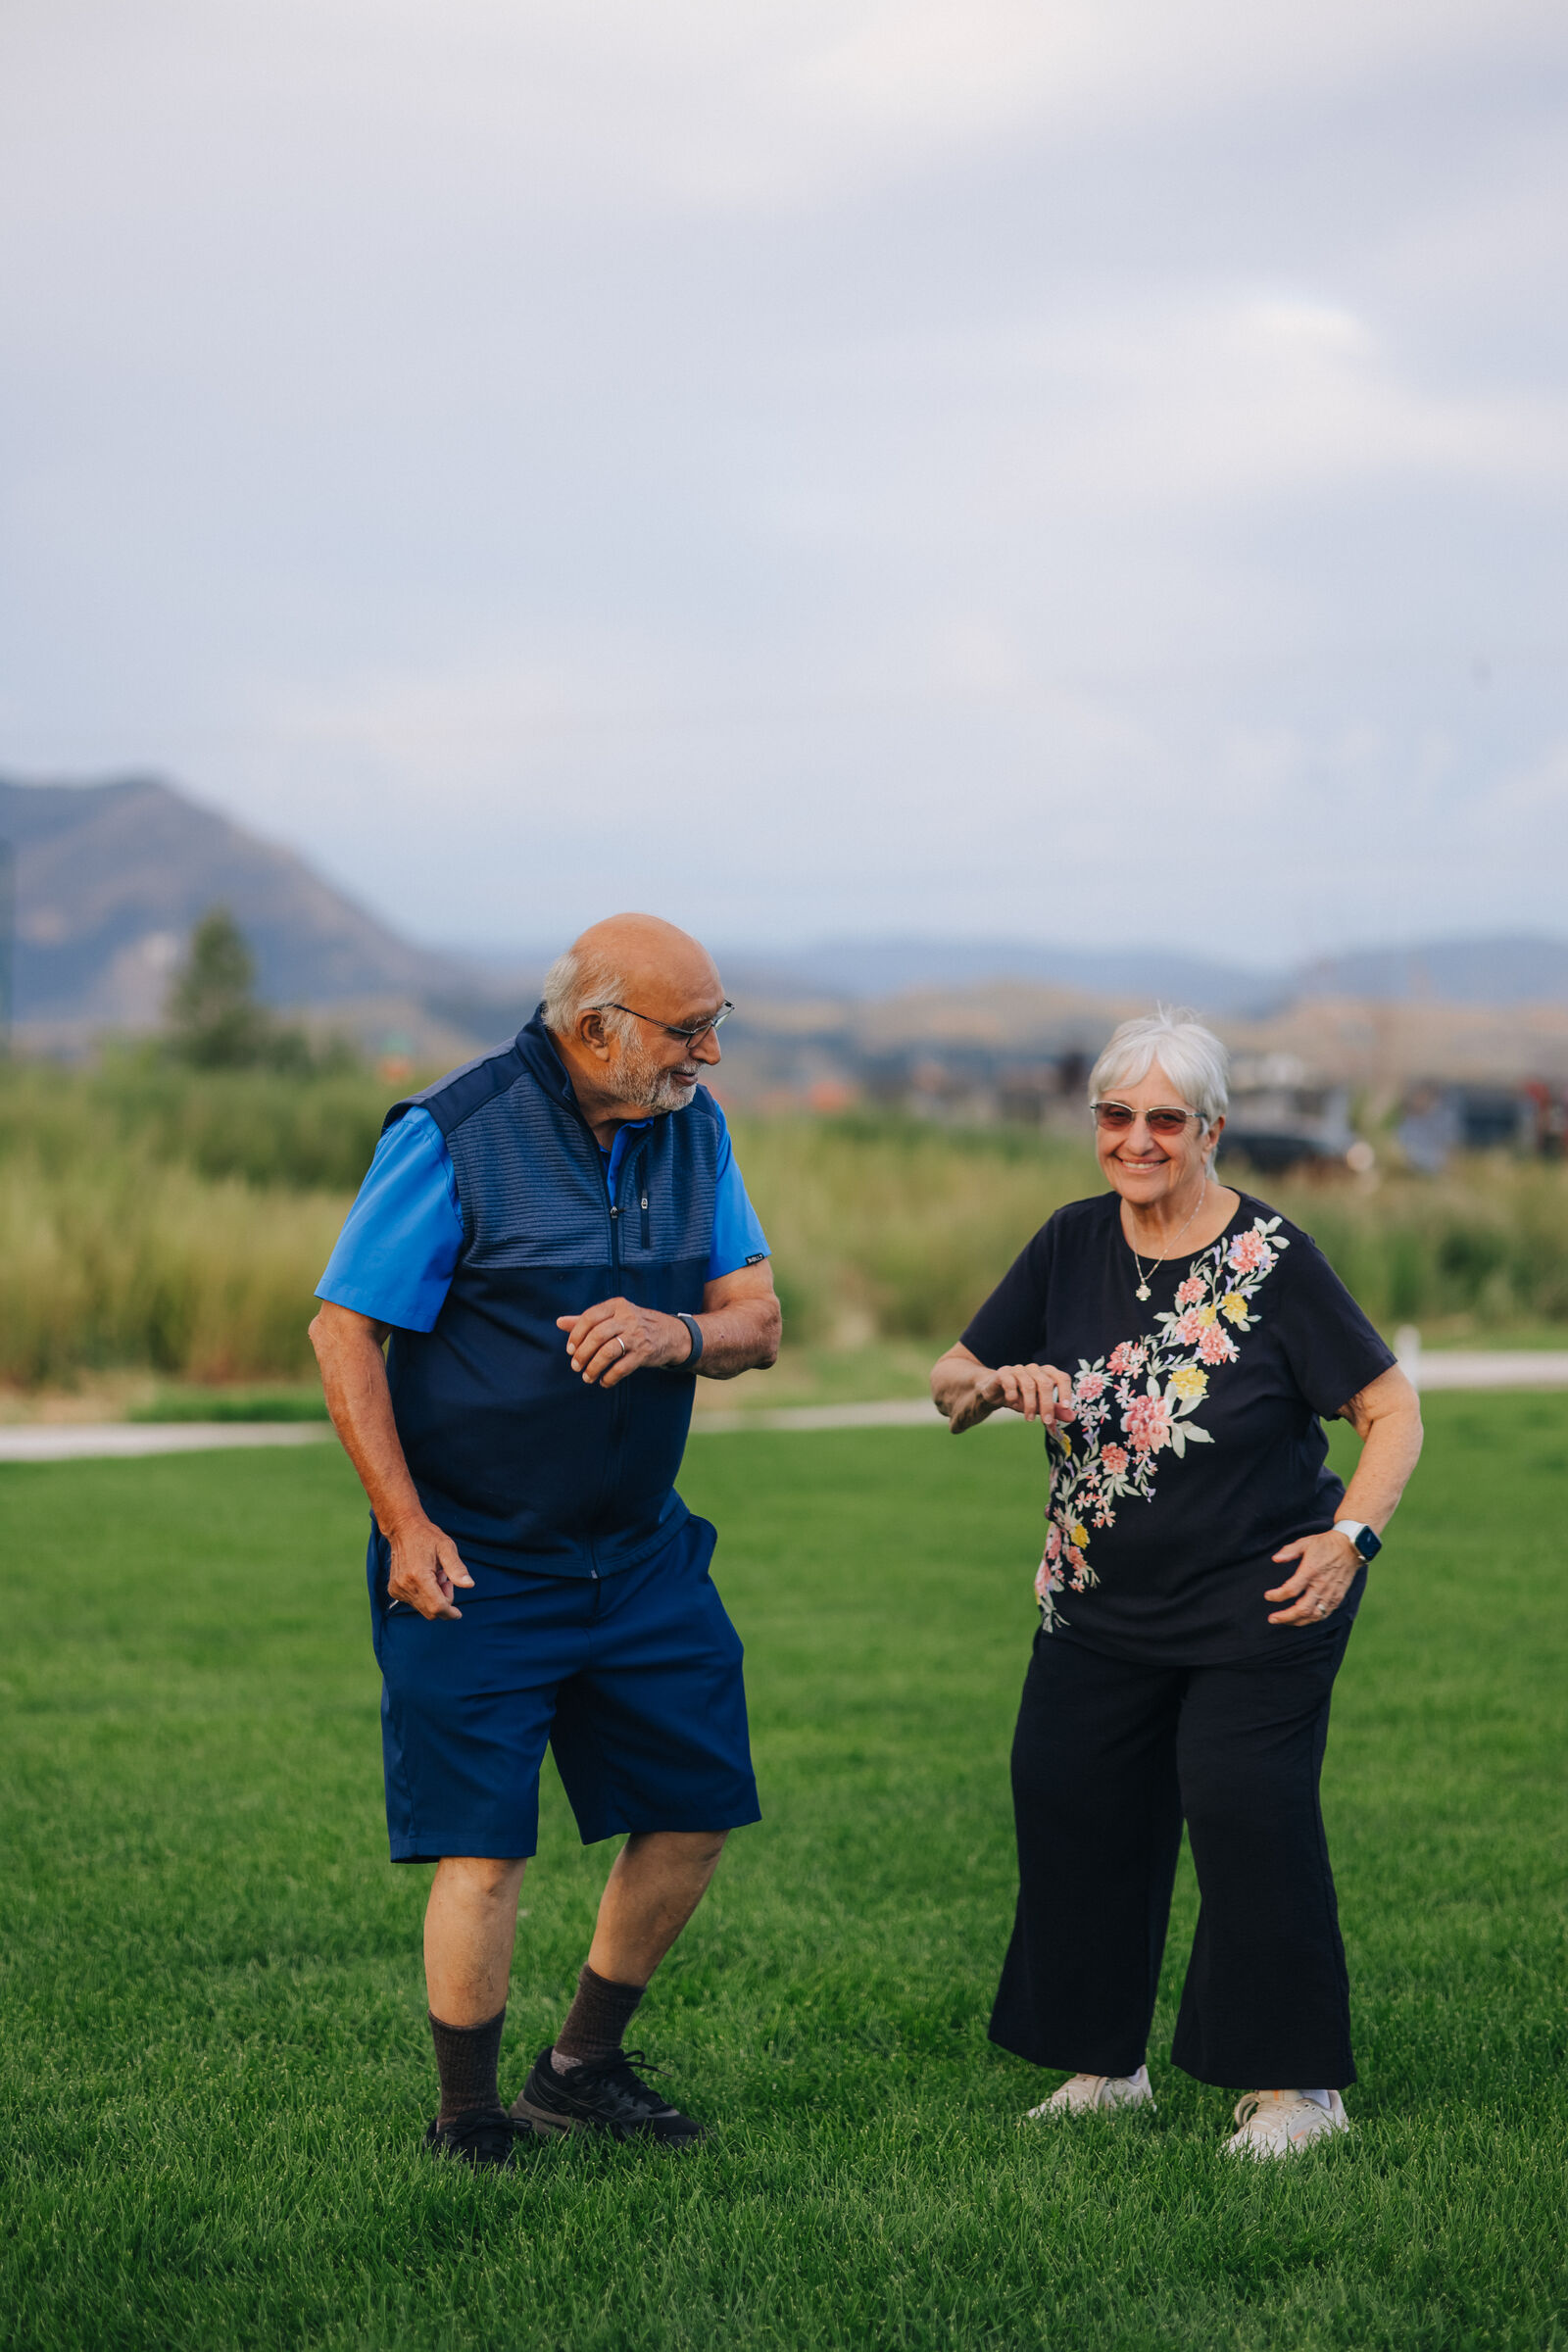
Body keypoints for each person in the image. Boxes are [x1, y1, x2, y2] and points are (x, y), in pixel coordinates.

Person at [310, 913, 780, 2170]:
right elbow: (343, 1331)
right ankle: (467, 2116)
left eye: (717, 1025)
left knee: (694, 1812)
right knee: (482, 1849)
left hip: (640, 1555)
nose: (710, 1055)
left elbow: (757, 1318)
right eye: (691, 1031)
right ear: (594, 1028)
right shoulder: (451, 1134)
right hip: (476, 1558)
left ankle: (579, 2070)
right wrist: (404, 1524)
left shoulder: (697, 1133)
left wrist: (679, 1334)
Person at [930, 1007, 1422, 2159]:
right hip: (1094, 1601)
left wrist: (1351, 1537)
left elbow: (1389, 1408)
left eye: (1164, 1119)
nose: (1136, 1139)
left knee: (1245, 1808)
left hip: (1263, 1599)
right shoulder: (1068, 1241)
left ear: (1210, 1130)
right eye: (1116, 1115)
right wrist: (990, 1386)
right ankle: (1105, 2069)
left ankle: (1298, 2091)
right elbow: (950, 1377)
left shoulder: (1273, 1259)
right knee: (1070, 1802)